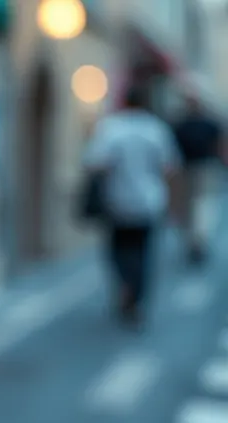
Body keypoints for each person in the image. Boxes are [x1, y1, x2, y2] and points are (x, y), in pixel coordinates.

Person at [83, 84, 180, 328]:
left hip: (117, 201)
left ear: (124, 102)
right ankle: (135, 295)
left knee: (117, 251)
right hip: (149, 201)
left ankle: (126, 287)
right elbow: (169, 167)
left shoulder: (112, 128)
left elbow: (96, 164)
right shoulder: (155, 129)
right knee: (143, 252)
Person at [171, 92, 223, 265]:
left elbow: (220, 147)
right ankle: (196, 240)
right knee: (197, 207)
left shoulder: (188, 124)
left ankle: (198, 240)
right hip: (190, 169)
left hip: (202, 168)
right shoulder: (182, 125)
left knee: (201, 206)